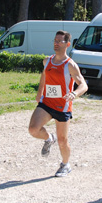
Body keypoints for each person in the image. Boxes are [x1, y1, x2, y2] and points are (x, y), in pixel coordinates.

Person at [28, 31, 88, 177]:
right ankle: (49, 138)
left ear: (67, 44)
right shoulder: (47, 61)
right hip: (47, 103)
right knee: (33, 129)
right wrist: (39, 92)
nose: (56, 43)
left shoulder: (70, 65)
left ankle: (65, 165)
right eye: (55, 41)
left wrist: (74, 94)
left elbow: (84, 85)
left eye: (59, 41)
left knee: (63, 140)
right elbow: (44, 75)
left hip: (62, 106)